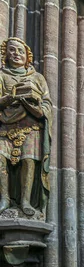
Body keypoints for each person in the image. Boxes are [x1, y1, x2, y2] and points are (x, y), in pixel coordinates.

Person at [0, 38, 52, 217]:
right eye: (12, 50)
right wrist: (10, 98)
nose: (16, 54)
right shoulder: (2, 76)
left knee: (29, 161)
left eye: (21, 51)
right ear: (5, 54)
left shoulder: (37, 78)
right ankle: (5, 199)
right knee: (0, 159)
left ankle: (25, 201)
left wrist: (35, 104)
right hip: (6, 125)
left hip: (31, 127)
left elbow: (47, 104)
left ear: (27, 57)